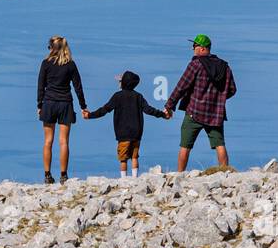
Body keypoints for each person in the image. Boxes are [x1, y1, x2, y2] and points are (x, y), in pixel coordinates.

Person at [163, 33, 236, 172]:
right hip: (215, 114)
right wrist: (218, 100)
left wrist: (169, 106)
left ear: (202, 48)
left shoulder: (196, 64)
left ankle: (180, 174)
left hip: (194, 112)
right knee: (219, 144)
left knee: (185, 146)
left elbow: (181, 86)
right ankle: (226, 173)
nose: (193, 49)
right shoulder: (224, 67)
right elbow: (232, 89)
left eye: (195, 46)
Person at [84, 70, 166, 176]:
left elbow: (104, 110)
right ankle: (135, 178)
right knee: (134, 157)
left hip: (123, 134)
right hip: (136, 133)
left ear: (123, 83)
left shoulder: (117, 96)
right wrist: (163, 115)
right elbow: (149, 110)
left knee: (123, 159)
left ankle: (124, 180)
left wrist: (90, 115)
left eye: (120, 81)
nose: (119, 82)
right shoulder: (138, 96)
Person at [37, 35, 86, 183]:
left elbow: (41, 86)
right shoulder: (70, 64)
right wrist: (83, 106)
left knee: (48, 141)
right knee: (64, 141)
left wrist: (40, 105)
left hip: (49, 103)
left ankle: (47, 175)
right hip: (65, 103)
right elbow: (78, 87)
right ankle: (63, 175)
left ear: (52, 48)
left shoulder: (45, 63)